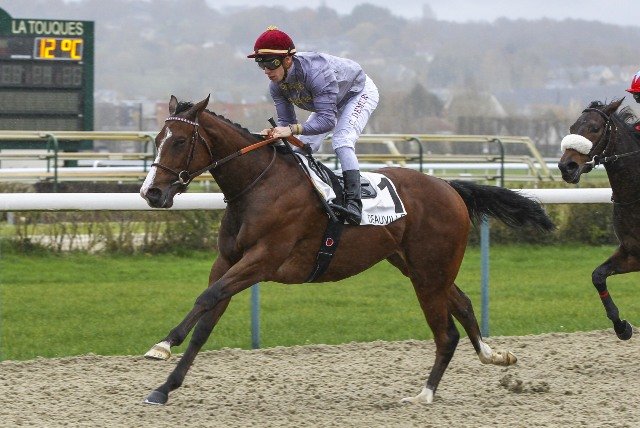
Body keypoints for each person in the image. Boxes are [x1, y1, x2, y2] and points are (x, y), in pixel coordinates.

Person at [248, 26, 379, 226]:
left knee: (342, 140)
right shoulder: (276, 86)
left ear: (287, 60)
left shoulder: (317, 74)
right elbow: (286, 124)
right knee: (300, 146)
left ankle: (354, 203)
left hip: (357, 93)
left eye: (271, 63)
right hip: (330, 101)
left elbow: (327, 121)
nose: (267, 71)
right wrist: (276, 133)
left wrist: (291, 130)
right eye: (261, 64)